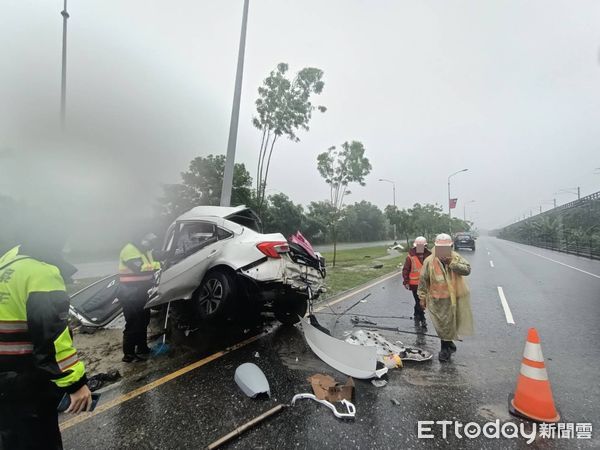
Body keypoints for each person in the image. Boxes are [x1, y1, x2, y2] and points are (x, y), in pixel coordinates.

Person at [0, 207, 92, 449]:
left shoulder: (7, 263)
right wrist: (75, 383)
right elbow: (52, 337)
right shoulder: (41, 273)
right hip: (28, 385)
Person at [417, 233, 473, 362]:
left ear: (451, 247)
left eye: (446, 248)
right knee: (442, 325)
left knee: (451, 324)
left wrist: (452, 263)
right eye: (440, 248)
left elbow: (467, 270)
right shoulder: (429, 261)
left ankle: (448, 346)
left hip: (455, 298)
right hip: (438, 300)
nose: (443, 251)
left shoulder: (455, 257)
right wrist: (422, 297)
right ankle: (446, 348)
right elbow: (423, 280)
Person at [118, 232, 161, 362]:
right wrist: (159, 265)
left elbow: (151, 264)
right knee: (133, 323)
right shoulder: (129, 250)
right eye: (147, 240)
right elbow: (140, 268)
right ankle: (129, 354)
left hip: (141, 292)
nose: (150, 243)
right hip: (130, 293)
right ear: (139, 238)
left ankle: (142, 347)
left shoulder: (144, 250)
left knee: (144, 320)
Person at [402, 236, 431, 328]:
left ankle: (416, 314)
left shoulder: (429, 255)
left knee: (422, 301)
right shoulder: (410, 257)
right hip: (415, 284)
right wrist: (406, 282)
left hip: (426, 283)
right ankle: (422, 319)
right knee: (419, 301)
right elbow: (406, 270)